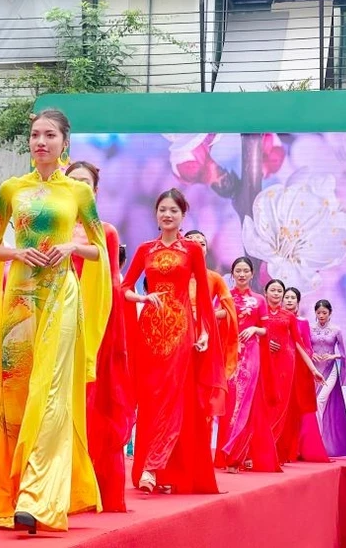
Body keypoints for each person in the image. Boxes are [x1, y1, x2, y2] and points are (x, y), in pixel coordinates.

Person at [0, 109, 111, 533]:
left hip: (60, 298)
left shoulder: (79, 194)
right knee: (14, 396)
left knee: (50, 392)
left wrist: (69, 247)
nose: (41, 142)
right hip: (21, 301)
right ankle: (10, 497)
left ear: (65, 142)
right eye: (34, 135)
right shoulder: (12, 190)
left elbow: (98, 250)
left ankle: (39, 498)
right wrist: (16, 252)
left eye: (49, 135)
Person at [122, 189, 226, 495]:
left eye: (174, 211)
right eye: (163, 210)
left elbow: (204, 297)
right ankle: (164, 470)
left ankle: (152, 468)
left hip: (181, 330)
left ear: (183, 215)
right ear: (156, 214)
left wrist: (204, 330)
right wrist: (142, 297)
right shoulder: (144, 250)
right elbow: (125, 288)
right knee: (152, 397)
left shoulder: (192, 250)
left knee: (173, 394)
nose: (167, 215)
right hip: (149, 333)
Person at [66, 160, 133, 512]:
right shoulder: (54, 228)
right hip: (58, 325)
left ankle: (95, 487)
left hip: (96, 328)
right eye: (73, 181)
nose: (79, 187)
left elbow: (112, 286)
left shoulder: (105, 232)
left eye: (85, 183)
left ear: (94, 191)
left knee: (96, 403)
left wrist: (110, 335)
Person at [183, 230, 239, 468]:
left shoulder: (215, 278)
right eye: (191, 242)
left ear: (206, 249)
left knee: (203, 397)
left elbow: (229, 311)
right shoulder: (175, 275)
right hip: (178, 337)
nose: (197, 246)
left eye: (202, 243)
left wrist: (204, 315)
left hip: (204, 341)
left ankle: (200, 457)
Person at [221, 258, 279, 474]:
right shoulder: (225, 297)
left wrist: (254, 329)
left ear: (252, 274)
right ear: (233, 274)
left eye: (246, 271)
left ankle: (235, 456)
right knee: (230, 400)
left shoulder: (259, 300)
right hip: (230, 352)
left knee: (244, 400)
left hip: (251, 353)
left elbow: (266, 330)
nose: (242, 274)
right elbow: (218, 318)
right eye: (238, 270)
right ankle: (230, 452)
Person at [263, 280, 324, 462]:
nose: (277, 294)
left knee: (281, 406)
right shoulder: (260, 310)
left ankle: (273, 450)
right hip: (264, 361)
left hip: (286, 364)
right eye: (273, 290)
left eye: (280, 291)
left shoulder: (290, 318)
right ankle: (258, 447)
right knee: (263, 404)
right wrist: (264, 342)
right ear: (265, 292)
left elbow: (299, 344)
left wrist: (313, 370)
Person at [281, 287, 329, 463]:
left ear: (298, 301)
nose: (289, 300)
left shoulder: (303, 322)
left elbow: (307, 346)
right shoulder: (275, 319)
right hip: (281, 367)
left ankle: (299, 448)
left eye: (293, 297)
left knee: (299, 407)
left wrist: (310, 366)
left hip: (300, 368)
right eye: (287, 297)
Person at [310, 299, 346, 457]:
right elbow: (306, 348)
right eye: (318, 313)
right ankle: (315, 443)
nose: (321, 315)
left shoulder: (336, 330)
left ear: (330, 313)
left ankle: (318, 442)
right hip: (313, 371)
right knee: (312, 404)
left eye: (324, 313)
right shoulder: (309, 329)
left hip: (330, 371)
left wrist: (333, 356)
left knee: (320, 401)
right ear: (315, 313)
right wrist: (312, 354)